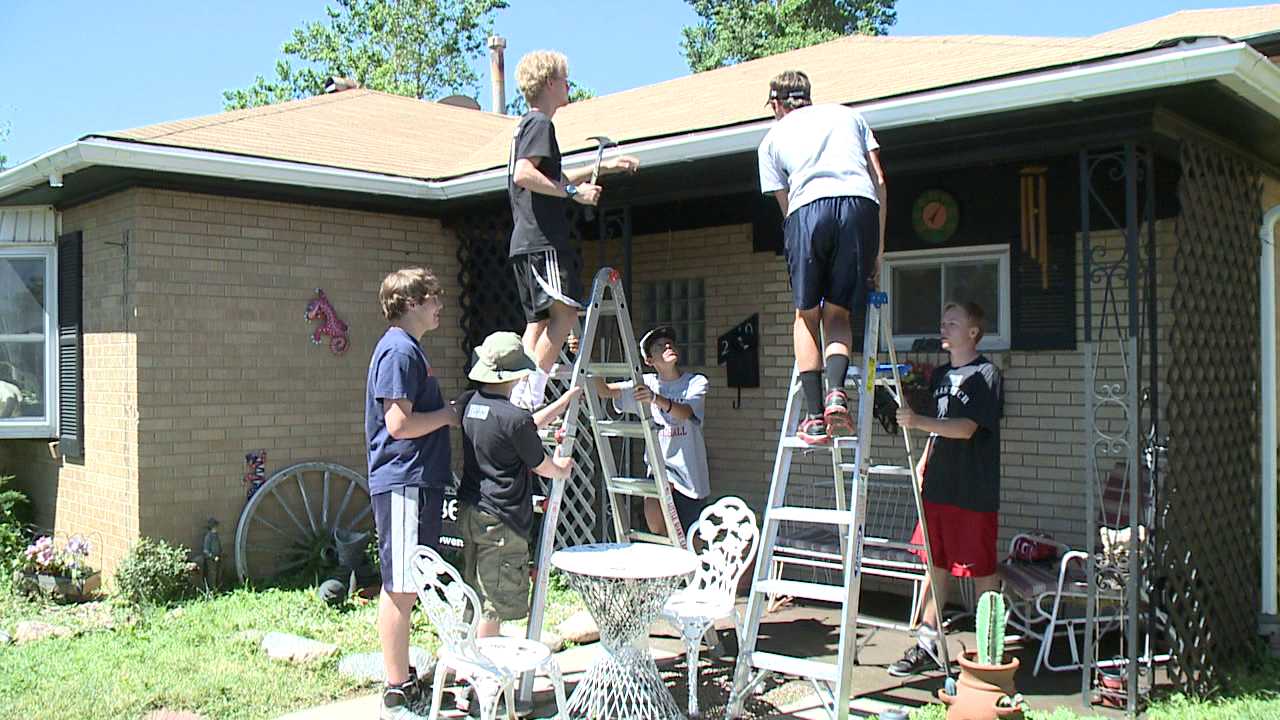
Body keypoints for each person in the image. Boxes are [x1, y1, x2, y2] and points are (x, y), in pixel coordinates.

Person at [757, 69, 887, 445]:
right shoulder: (849, 115)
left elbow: (786, 207)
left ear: (778, 104)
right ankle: (836, 393)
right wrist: (876, 247)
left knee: (807, 314)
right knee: (839, 313)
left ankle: (814, 418)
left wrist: (804, 246)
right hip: (859, 204)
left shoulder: (772, 138)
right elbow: (878, 179)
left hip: (806, 211)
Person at [507, 49, 639, 410]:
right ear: (549, 83)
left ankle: (518, 391)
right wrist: (573, 193)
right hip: (542, 240)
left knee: (537, 322)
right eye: (564, 79)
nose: (568, 85)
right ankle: (532, 392)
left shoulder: (526, 125)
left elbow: (551, 176)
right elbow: (525, 174)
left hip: (527, 242)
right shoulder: (540, 124)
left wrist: (606, 166)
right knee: (564, 313)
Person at [365, 267, 460, 719]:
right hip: (404, 481)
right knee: (401, 586)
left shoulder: (408, 349)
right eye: (432, 298)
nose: (439, 305)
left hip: (415, 481)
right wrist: (446, 415)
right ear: (409, 303)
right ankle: (397, 689)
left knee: (408, 583)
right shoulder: (399, 351)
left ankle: (403, 678)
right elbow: (399, 425)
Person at [889, 302, 1003, 676]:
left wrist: (917, 421)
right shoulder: (939, 375)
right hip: (938, 483)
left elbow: (968, 427)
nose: (945, 327)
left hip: (972, 488)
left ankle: (991, 649)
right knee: (935, 563)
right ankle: (927, 641)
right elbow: (940, 424)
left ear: (973, 332)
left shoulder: (986, 374)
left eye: (953, 323)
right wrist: (925, 455)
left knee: (980, 567)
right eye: (943, 322)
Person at [455, 332, 577, 641]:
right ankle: (485, 679)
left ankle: (465, 660)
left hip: (472, 510)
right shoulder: (514, 418)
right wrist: (561, 469)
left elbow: (516, 426)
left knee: (475, 592)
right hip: (502, 519)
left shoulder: (471, 404)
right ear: (516, 375)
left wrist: (560, 405)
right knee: (494, 601)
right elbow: (540, 463)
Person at [592, 326, 710, 536]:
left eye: (670, 343)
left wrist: (655, 398)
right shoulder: (645, 383)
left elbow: (685, 413)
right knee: (659, 531)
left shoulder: (695, 382)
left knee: (691, 539)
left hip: (690, 476)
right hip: (659, 471)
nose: (667, 346)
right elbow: (604, 391)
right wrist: (586, 359)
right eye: (659, 346)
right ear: (649, 360)